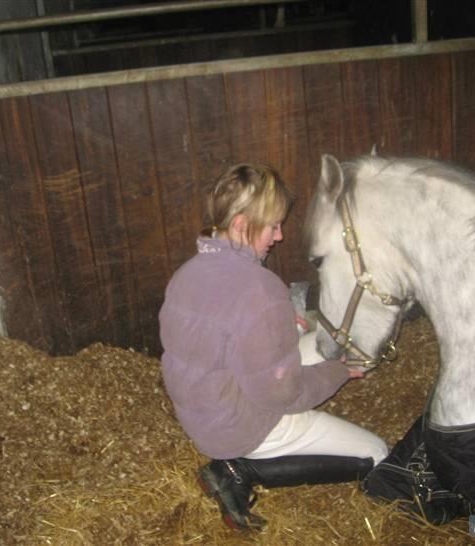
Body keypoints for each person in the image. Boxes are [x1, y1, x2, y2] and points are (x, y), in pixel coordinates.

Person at [159, 163, 388, 530]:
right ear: (239, 224)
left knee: (314, 342)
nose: (279, 236)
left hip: (202, 414)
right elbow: (282, 395)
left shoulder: (187, 273)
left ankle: (234, 461)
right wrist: (338, 372)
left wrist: (280, 326)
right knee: (378, 452)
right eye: (273, 226)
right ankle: (241, 469)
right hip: (240, 428)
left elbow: (223, 333)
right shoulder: (259, 288)